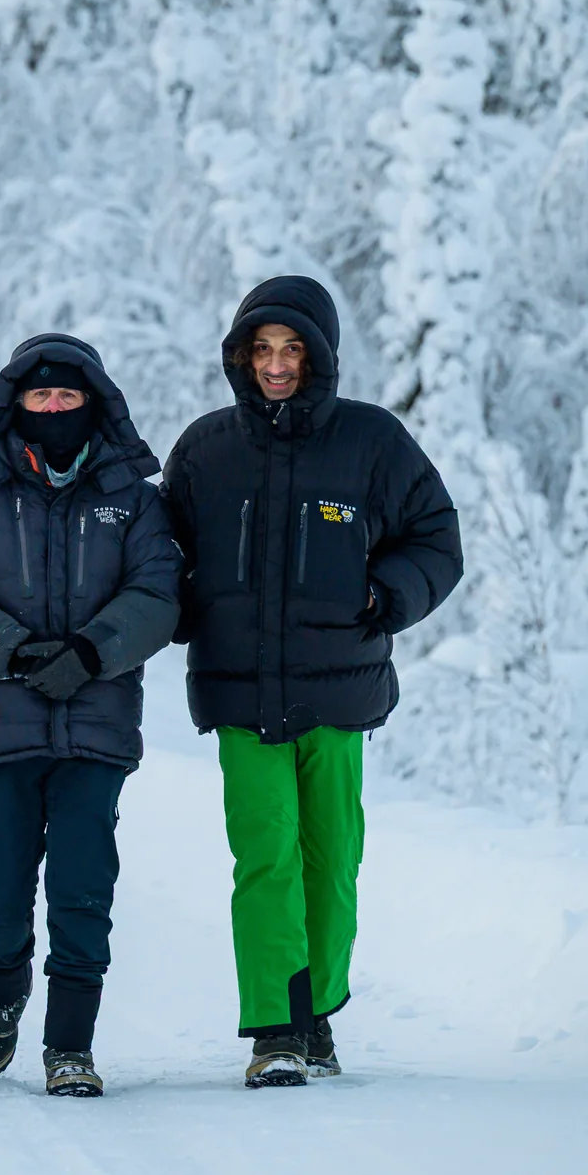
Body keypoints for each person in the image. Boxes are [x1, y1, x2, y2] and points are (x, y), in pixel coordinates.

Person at [161, 275, 462, 1087]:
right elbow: (161, 555)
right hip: (237, 689)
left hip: (340, 690)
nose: (276, 364)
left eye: (292, 348)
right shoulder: (206, 449)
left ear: (321, 356)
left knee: (331, 858)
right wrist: (175, 611)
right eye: (261, 349)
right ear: (239, 356)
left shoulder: (372, 442)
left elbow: (437, 538)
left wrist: (382, 594)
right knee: (265, 857)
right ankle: (276, 1031)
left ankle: (316, 1007)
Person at [0, 333, 180, 1098]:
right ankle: (2, 990)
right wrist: (16, 650)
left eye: (67, 395)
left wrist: (93, 652)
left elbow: (159, 590)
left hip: (96, 729)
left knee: (83, 889)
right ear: (13, 403)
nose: (54, 407)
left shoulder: (134, 497)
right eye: (40, 395)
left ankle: (70, 1045)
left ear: (93, 402)